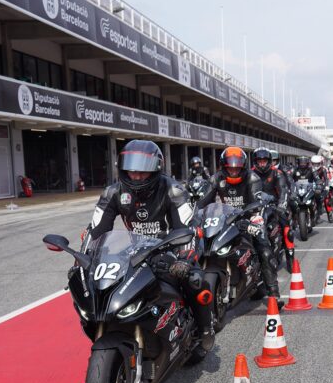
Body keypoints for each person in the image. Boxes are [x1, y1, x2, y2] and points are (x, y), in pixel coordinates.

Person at [87, 140, 214, 353]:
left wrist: (184, 259)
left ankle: (205, 330)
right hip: (135, 250)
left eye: (142, 172)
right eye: (132, 171)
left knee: (195, 280)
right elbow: (96, 231)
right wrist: (84, 260)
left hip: (171, 248)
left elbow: (189, 227)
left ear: (155, 170)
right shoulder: (113, 192)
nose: (136, 177)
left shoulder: (173, 190)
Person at [197, 146, 283, 305]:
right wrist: (196, 217)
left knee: (264, 249)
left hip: (248, 218)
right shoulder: (216, 179)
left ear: (243, 167)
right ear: (224, 167)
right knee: (202, 247)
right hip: (225, 219)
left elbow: (256, 203)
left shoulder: (252, 178)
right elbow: (202, 203)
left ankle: (273, 292)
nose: (233, 172)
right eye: (230, 169)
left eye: (237, 169)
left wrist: (255, 218)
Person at [251, 147, 294, 271]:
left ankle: (290, 257)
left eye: (264, 161)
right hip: (255, 208)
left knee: (286, 228)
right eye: (259, 161)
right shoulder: (250, 174)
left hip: (274, 206)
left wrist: (282, 205)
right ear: (255, 162)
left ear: (269, 161)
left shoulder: (277, 173)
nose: (262, 164)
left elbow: (283, 190)